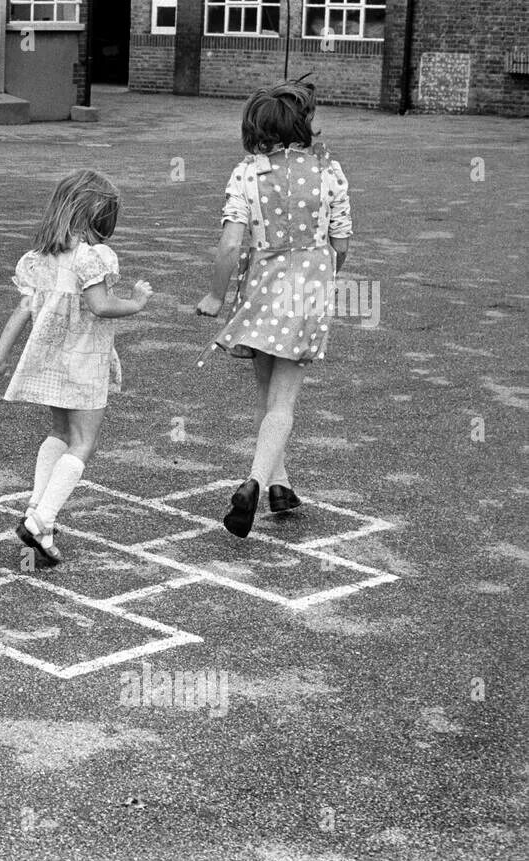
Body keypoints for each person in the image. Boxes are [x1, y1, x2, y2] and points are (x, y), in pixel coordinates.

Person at [196, 79, 352, 537]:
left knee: (266, 391)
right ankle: (259, 483)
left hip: (261, 287)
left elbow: (229, 245)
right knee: (282, 399)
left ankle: (277, 485)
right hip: (307, 291)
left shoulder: (248, 173)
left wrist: (214, 295)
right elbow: (341, 243)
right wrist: (320, 271)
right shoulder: (329, 172)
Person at [0, 170, 152, 566]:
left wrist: (1, 353)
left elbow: (23, 309)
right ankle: (42, 518)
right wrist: (136, 302)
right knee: (84, 441)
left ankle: (36, 513)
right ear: (95, 216)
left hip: (50, 361)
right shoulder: (92, 257)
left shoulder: (38, 259)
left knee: (59, 432)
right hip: (83, 361)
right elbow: (100, 306)